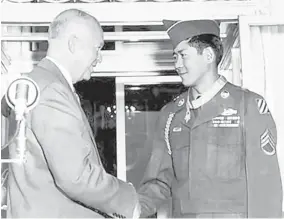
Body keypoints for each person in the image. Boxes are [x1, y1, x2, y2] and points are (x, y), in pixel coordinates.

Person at [138, 19, 282, 218]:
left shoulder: (247, 106)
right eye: (175, 57)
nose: (177, 64)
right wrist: (130, 209)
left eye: (183, 55)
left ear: (208, 55)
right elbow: (158, 183)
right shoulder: (171, 115)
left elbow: (265, 188)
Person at [4, 9, 140, 218]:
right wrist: (129, 201)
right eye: (98, 48)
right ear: (73, 45)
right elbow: (75, 177)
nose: (100, 58)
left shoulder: (37, 85)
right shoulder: (51, 90)